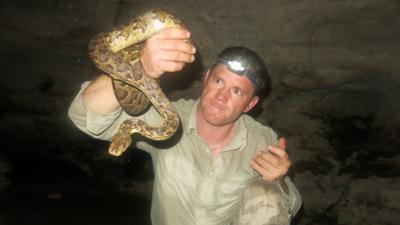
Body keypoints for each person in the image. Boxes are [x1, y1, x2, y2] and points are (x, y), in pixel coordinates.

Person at [68, 27, 302, 225]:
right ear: (207, 77)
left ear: (250, 103)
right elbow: (86, 118)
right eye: (219, 81)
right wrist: (140, 69)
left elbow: (292, 204)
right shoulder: (167, 118)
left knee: (268, 192)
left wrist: (279, 180)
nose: (221, 96)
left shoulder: (262, 139)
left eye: (237, 91)